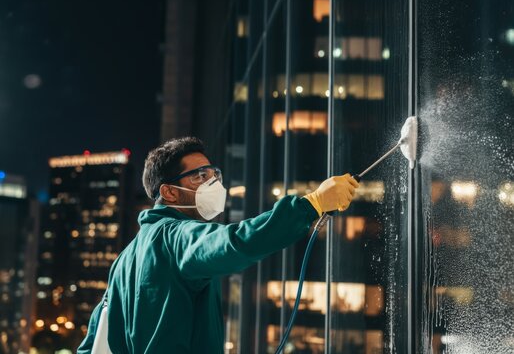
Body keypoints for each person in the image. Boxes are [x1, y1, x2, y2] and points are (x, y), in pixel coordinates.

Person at [77, 137, 359, 353]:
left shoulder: (124, 260)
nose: (212, 182)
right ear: (169, 192)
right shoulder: (177, 236)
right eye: (200, 176)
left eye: (213, 174)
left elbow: (92, 343)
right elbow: (235, 242)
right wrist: (311, 205)